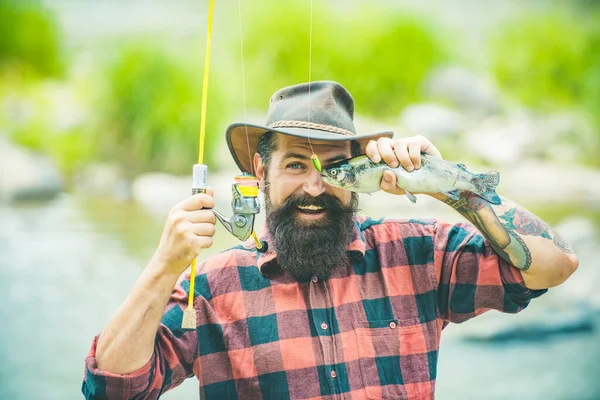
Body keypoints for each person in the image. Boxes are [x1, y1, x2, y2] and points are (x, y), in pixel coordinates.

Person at [82, 81, 578, 399]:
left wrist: (444, 181)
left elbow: (556, 265)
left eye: (335, 168)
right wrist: (164, 265)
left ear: (360, 174)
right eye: (296, 165)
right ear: (262, 171)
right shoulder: (211, 289)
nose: (315, 187)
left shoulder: (418, 254)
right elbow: (110, 389)